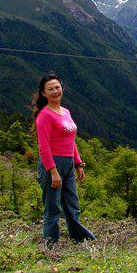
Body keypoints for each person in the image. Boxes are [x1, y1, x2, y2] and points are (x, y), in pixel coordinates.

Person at [32, 72, 96, 244]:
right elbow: (43, 147)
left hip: (68, 163)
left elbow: (71, 141)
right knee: (53, 207)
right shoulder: (44, 115)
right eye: (50, 89)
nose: (55, 91)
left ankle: (80, 239)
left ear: (62, 88)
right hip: (52, 163)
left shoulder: (65, 111)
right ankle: (50, 245)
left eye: (57, 87)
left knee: (72, 204)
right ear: (44, 93)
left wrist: (78, 163)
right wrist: (52, 171)